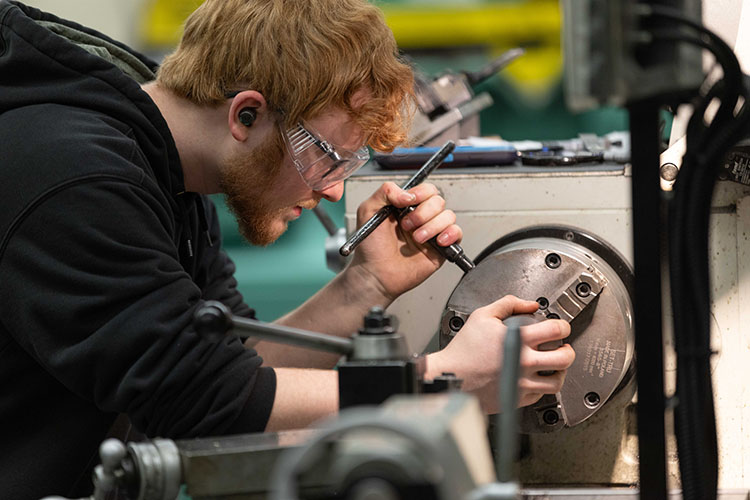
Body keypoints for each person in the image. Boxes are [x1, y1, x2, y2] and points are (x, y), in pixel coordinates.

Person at [0, 0, 575, 497]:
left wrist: (364, 285)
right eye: (324, 155)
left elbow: (237, 366)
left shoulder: (172, 180)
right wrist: (442, 379)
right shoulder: (75, 176)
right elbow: (205, 404)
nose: (330, 188)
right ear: (245, 114)